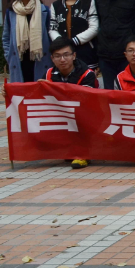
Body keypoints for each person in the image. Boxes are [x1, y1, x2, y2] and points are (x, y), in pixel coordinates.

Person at [45, 37, 98, 169]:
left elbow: (85, 100)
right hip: (62, 114)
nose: (62, 59)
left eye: (66, 55)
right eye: (57, 56)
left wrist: (54, 89)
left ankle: (84, 153)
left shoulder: (88, 74)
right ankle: (66, 148)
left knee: (84, 116)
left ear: (74, 56)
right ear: (52, 58)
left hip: (84, 114)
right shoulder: (49, 74)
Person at [2, 0, 52, 83]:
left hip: (40, 57)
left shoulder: (44, 10)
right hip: (19, 58)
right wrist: (9, 56)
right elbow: (6, 37)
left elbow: (51, 35)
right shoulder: (11, 12)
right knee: (22, 90)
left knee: (39, 88)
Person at [48, 0, 99, 70]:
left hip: (85, 53)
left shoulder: (89, 3)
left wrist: (74, 41)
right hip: (62, 54)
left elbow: (94, 28)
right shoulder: (55, 5)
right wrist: (62, 43)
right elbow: (52, 29)